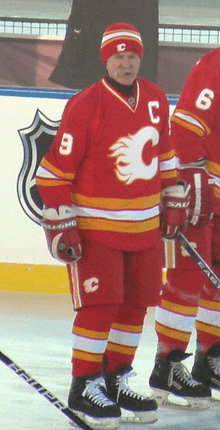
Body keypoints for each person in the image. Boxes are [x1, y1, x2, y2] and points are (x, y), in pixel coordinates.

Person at [35, 22, 190, 428]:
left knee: (135, 305)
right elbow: (52, 175)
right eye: (118, 57)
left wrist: (173, 195)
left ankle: (117, 375)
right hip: (97, 230)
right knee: (99, 307)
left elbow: (166, 153)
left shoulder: (155, 97)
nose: (126, 63)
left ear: (141, 57)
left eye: (132, 56)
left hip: (143, 229)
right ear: (106, 60)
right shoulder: (85, 104)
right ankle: (83, 384)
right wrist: (62, 223)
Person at [149, 47, 220, 409]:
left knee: (217, 278)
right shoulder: (216, 64)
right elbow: (186, 129)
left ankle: (209, 358)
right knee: (188, 278)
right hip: (204, 193)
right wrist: (192, 176)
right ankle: (168, 365)